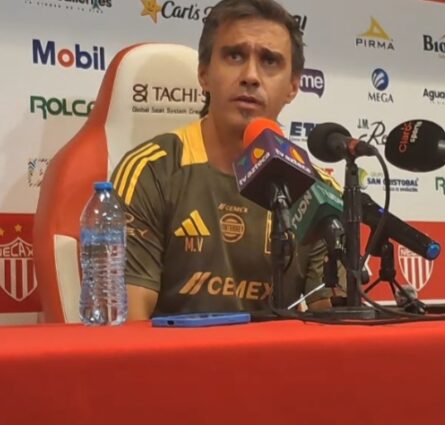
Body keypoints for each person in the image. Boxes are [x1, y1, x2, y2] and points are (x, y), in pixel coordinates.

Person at [110, 0, 344, 320]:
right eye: (235, 56)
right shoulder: (150, 171)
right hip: (176, 354)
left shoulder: (319, 192)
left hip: (278, 353)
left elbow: (339, 327)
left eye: (269, 61)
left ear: (293, 86)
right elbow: (128, 328)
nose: (250, 76)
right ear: (204, 74)